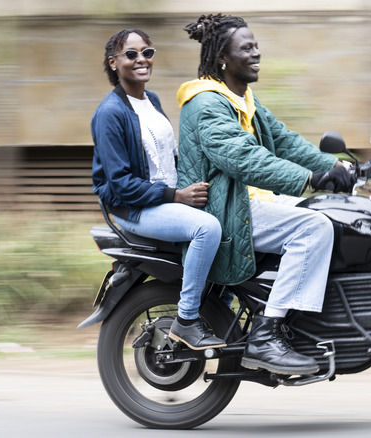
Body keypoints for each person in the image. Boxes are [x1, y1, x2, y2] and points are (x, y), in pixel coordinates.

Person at [176, 14, 355, 375]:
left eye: (256, 45)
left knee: (333, 213)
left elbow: (285, 141)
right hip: (226, 207)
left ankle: (301, 321)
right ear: (222, 58)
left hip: (252, 200)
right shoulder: (206, 104)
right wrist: (311, 178)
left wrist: (339, 167)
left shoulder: (242, 99)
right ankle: (267, 334)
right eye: (247, 47)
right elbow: (244, 159)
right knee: (314, 228)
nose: (257, 52)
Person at [91, 29, 225, 350]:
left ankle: (225, 307)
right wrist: (176, 196)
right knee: (206, 229)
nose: (142, 60)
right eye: (131, 54)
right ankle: (187, 321)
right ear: (114, 63)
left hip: (164, 201)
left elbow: (169, 157)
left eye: (147, 53)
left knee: (233, 216)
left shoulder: (151, 100)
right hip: (134, 209)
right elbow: (121, 185)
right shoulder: (110, 114)